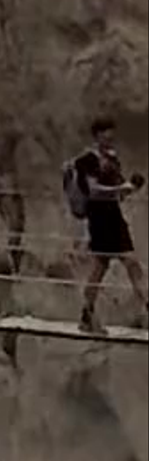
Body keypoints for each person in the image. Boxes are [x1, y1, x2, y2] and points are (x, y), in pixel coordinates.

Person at [67, 133, 138, 333]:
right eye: (106, 135)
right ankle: (86, 316)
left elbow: (118, 193)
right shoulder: (88, 160)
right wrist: (119, 188)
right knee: (111, 266)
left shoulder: (112, 159)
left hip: (114, 218)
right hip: (100, 220)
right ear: (97, 136)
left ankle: (86, 316)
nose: (110, 139)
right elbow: (93, 190)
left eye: (112, 134)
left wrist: (129, 188)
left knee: (120, 265)